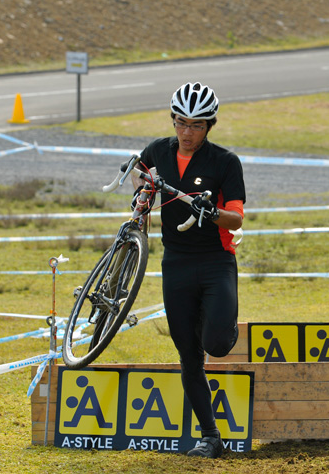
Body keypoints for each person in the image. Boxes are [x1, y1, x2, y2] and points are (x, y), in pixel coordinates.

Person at [133, 82, 245, 458]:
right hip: (176, 263)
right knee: (189, 355)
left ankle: (221, 324)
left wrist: (211, 212)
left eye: (196, 125)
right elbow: (140, 173)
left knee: (215, 344)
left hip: (215, 262)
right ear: (174, 120)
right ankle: (210, 437)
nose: (187, 132)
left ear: (209, 126)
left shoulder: (225, 163)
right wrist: (142, 193)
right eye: (181, 122)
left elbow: (236, 220)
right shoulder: (158, 151)